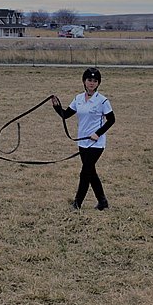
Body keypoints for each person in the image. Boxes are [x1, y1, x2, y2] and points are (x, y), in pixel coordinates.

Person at [52, 67, 115, 210]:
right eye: (89, 80)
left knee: (85, 172)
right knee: (91, 172)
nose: (92, 83)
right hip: (82, 142)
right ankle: (103, 202)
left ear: (98, 83)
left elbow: (111, 120)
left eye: (95, 81)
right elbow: (66, 114)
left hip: (96, 143)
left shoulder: (103, 101)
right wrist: (56, 107)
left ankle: (77, 203)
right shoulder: (78, 98)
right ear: (84, 81)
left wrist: (98, 133)